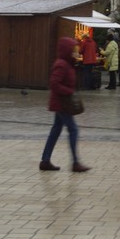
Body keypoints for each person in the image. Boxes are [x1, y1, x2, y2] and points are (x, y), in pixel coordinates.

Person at [39, 36, 90, 172]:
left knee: (56, 130)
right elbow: (54, 84)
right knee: (73, 130)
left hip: (62, 103)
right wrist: (69, 92)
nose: (77, 53)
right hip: (63, 104)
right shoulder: (62, 64)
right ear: (67, 51)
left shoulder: (67, 63)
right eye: (74, 51)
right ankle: (75, 163)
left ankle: (45, 160)